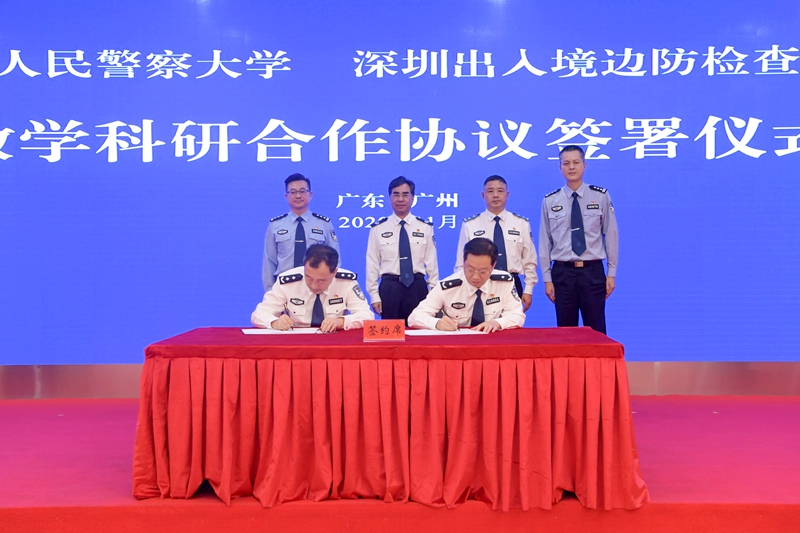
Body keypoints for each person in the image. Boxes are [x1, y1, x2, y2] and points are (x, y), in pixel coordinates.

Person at [539, 145, 618, 334]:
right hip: (562, 273)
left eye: (576, 162)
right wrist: (547, 278)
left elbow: (611, 234)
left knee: (596, 330)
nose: (571, 167)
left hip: (592, 272)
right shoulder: (550, 200)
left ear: (584, 165)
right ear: (560, 167)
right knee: (566, 332)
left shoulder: (600, 196)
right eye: (566, 163)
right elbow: (544, 242)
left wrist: (611, 272)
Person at [455, 175, 537, 312]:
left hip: (512, 283)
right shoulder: (470, 224)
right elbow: (461, 262)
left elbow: (529, 261)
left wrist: (528, 290)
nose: (495, 195)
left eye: (500, 191)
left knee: (512, 322)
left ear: (507, 194)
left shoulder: (521, 223)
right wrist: (463, 290)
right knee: (482, 323)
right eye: (490, 191)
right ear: (483, 195)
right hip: (481, 283)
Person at [408, 238, 525, 332]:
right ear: (463, 262)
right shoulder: (448, 287)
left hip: (493, 343)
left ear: (493, 266)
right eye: (471, 269)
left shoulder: (504, 282)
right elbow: (414, 317)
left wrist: (497, 323)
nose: (475, 276)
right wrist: (437, 323)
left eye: (483, 271)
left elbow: (517, 315)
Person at [365, 176, 439, 323]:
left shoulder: (425, 227)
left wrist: (434, 294)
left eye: (405, 195)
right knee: (391, 333)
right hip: (390, 288)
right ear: (389, 198)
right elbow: (372, 263)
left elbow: (432, 263)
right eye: (396, 194)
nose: (400, 199)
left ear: (413, 198)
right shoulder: (378, 228)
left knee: (419, 330)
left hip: (417, 287)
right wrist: (374, 295)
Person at [252, 244, 374, 332]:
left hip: (332, 342)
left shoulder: (346, 281)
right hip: (296, 343)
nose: (314, 285)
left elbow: (366, 315)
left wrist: (340, 322)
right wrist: (275, 322)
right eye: (309, 277)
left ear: (334, 272)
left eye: (321, 280)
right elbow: (259, 314)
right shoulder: (288, 281)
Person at [262, 173, 340, 292]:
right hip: (285, 287)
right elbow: (269, 262)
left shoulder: (324, 224)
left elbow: (335, 260)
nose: (298, 195)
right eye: (293, 192)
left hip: (317, 286)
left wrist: (332, 290)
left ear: (310, 195)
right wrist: (270, 293)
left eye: (302, 191)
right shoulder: (275, 225)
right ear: (286, 196)